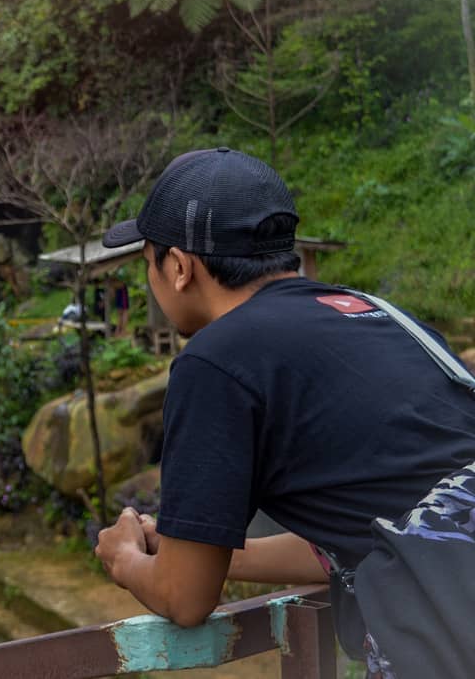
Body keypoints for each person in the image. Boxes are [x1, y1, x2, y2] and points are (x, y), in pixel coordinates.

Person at [93, 148, 475, 672]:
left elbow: (184, 597)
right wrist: (196, 545)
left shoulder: (215, 360)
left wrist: (123, 557)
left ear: (178, 268)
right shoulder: (382, 318)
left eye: (148, 263)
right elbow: (386, 529)